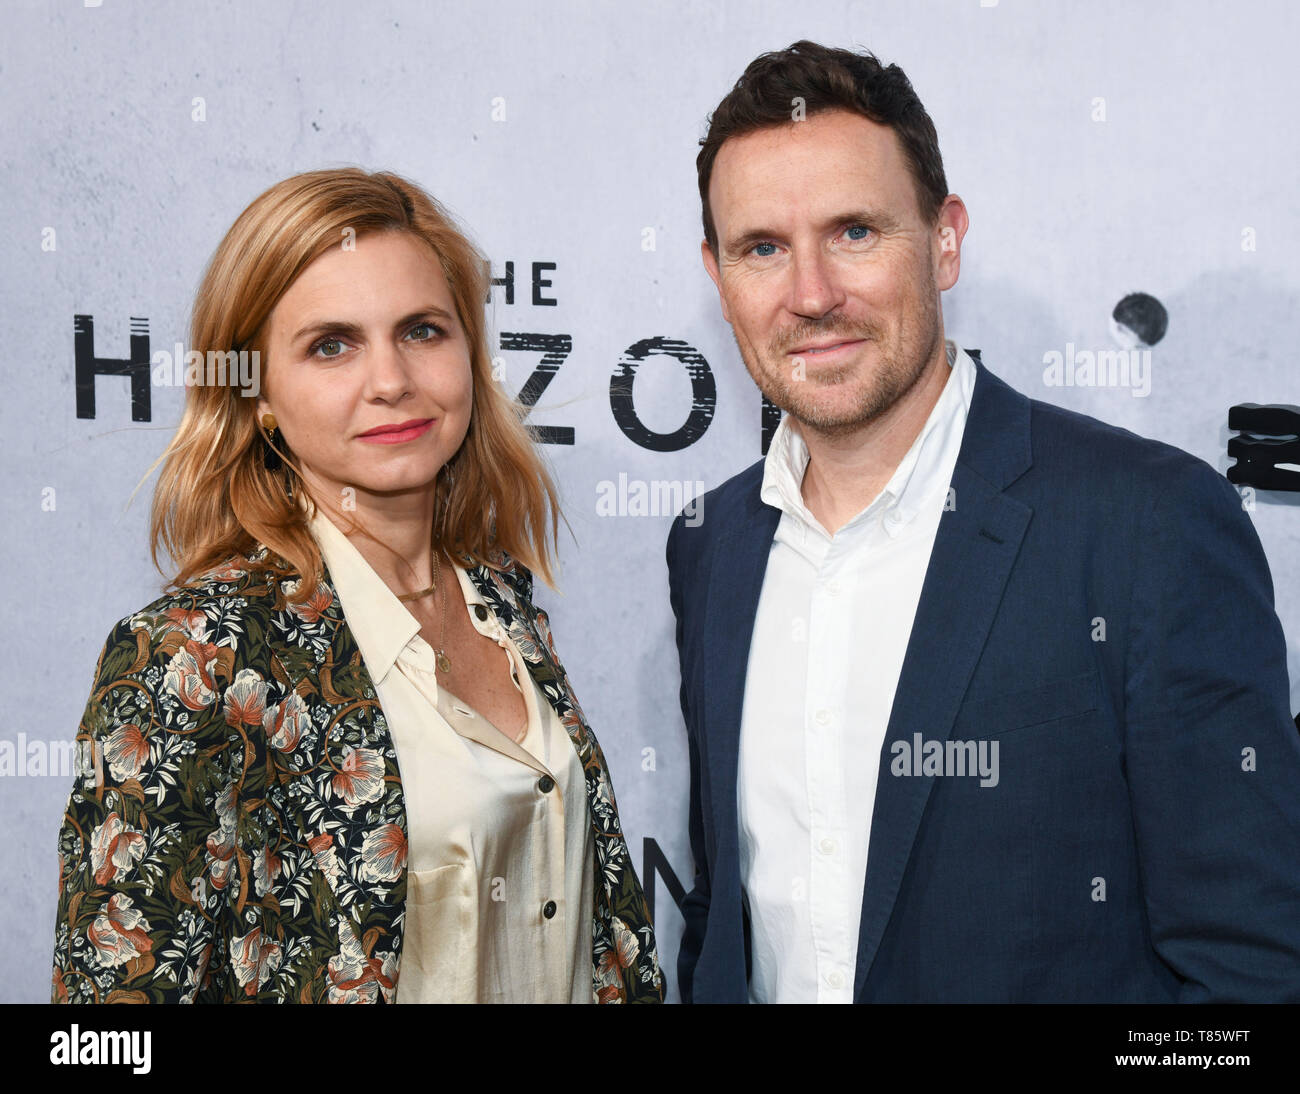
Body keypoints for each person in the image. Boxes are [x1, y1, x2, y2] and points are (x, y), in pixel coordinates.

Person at [668, 40, 1300, 1003]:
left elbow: (1251, 971)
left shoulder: (1147, 524)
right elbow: (731, 912)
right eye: (762, 248)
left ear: (946, 239)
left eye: (854, 233)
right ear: (718, 276)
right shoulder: (711, 545)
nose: (810, 295)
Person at [52, 168, 663, 1004]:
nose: (391, 380)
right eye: (330, 345)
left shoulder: (500, 602)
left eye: (422, 331)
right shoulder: (196, 656)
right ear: (258, 394)